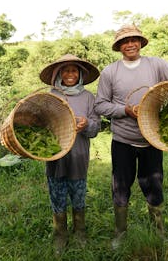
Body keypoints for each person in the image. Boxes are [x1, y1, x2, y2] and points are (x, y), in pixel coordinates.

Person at [94, 24, 168, 248]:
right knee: (120, 187)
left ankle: (158, 231)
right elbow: (100, 105)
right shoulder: (110, 72)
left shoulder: (156, 65)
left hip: (152, 139)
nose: (130, 44)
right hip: (122, 140)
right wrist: (125, 110)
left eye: (134, 39)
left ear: (140, 42)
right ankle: (120, 233)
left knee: (154, 185)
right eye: (125, 41)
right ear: (119, 46)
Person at [39, 54, 101, 255]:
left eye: (74, 70)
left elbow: (95, 128)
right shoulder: (51, 96)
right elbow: (41, 126)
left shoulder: (88, 97)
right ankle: (60, 234)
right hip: (56, 156)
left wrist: (86, 124)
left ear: (81, 74)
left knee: (78, 195)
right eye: (65, 70)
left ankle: (80, 231)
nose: (70, 74)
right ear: (58, 74)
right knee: (57, 195)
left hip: (78, 155)